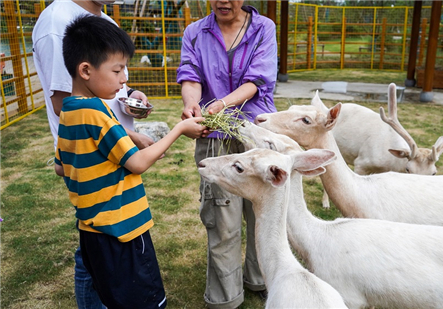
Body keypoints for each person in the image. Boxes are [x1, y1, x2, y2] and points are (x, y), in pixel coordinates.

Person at [54, 15, 206, 308]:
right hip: (122, 233)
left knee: (112, 299)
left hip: (91, 232)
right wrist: (179, 130)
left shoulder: (69, 112)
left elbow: (61, 165)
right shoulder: (98, 113)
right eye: (118, 69)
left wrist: (127, 142)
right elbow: (136, 163)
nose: (124, 78)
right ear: (86, 70)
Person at [32, 1, 155, 308]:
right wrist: (127, 138)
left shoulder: (104, 19)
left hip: (113, 152)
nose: (123, 76)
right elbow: (65, 104)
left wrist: (130, 98)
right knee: (99, 250)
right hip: (101, 156)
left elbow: (107, 85)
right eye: (119, 70)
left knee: (99, 245)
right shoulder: (56, 23)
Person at [176, 1, 278, 308]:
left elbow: (257, 81)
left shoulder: (264, 29)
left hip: (256, 136)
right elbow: (190, 73)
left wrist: (219, 105)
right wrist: (193, 104)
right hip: (215, 137)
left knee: (263, 214)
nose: (223, 1)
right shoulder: (195, 32)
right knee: (221, 219)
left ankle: (261, 279)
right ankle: (225, 298)